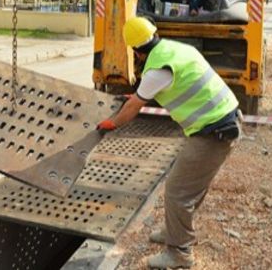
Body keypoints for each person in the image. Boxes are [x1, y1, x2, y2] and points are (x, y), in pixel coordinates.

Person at [97, 17, 241, 269]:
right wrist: (139, 94)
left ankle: (179, 254)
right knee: (190, 187)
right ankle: (175, 231)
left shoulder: (156, 70)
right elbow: (158, 88)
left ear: (136, 52)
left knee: (177, 190)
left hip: (214, 132)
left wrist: (113, 123)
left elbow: (133, 107)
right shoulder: (176, 49)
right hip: (224, 120)